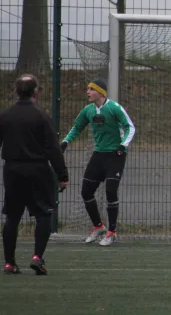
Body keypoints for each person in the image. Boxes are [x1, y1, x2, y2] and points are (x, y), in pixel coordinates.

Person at [1, 74, 69, 275]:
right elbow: (53, 149)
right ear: (36, 92)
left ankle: (9, 263)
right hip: (38, 170)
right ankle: (37, 257)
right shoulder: (41, 117)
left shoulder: (5, 116)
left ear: (16, 91)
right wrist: (62, 175)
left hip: (12, 170)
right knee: (43, 214)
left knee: (12, 217)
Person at [61, 79, 135, 246]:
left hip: (116, 155)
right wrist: (66, 141)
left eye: (91, 89)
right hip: (98, 154)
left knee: (110, 191)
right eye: (87, 88)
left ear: (101, 92)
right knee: (86, 191)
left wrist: (123, 145)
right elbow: (77, 127)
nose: (87, 91)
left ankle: (112, 232)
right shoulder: (88, 110)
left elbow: (130, 127)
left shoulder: (114, 108)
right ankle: (98, 226)